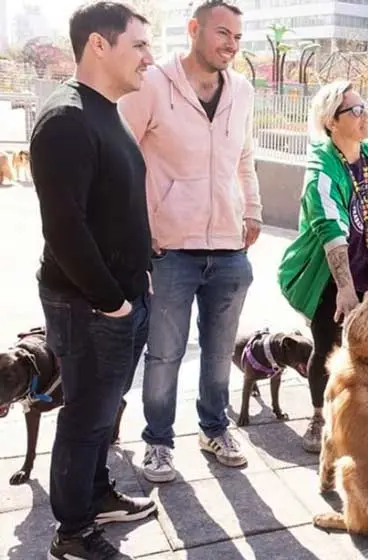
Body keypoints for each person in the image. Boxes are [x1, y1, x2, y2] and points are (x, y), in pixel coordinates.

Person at [30, 2, 157, 558]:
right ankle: (73, 531)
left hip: (122, 298)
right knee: (84, 415)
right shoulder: (66, 119)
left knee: (104, 411)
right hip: (90, 305)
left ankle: (95, 492)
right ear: (98, 46)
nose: (149, 59)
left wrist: (140, 281)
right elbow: (64, 228)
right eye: (140, 46)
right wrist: (112, 303)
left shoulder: (108, 111)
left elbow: (115, 207)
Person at [117, 0, 261, 482]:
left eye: (238, 38)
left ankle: (214, 427)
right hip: (169, 249)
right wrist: (141, 230)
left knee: (220, 352)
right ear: (194, 29)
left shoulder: (242, 90)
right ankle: (157, 442)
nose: (231, 45)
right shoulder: (153, 83)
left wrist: (253, 210)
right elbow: (124, 156)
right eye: (223, 33)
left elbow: (245, 156)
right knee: (164, 354)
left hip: (229, 247)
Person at [277, 80, 368, 453]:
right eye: (355, 110)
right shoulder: (322, 165)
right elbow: (329, 229)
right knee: (328, 344)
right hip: (333, 278)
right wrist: (346, 291)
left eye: (365, 106)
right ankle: (320, 416)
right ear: (331, 121)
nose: (365, 114)